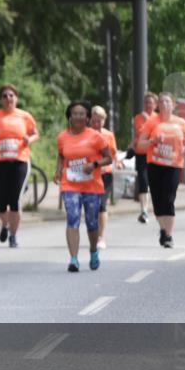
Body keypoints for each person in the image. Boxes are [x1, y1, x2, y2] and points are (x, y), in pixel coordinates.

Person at [54, 100, 112, 272]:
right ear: (69, 117)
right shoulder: (62, 137)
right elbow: (61, 156)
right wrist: (58, 171)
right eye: (75, 114)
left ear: (87, 117)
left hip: (91, 186)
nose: (78, 116)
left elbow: (109, 158)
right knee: (72, 218)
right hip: (70, 184)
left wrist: (94, 165)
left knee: (92, 223)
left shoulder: (96, 137)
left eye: (82, 114)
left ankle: (94, 251)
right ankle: (73, 259)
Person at [0, 84, 39, 248]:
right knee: (0, 204)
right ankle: (5, 224)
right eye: (5, 96)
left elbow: (36, 134)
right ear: (1, 99)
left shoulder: (24, 116)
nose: (8, 98)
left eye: (11, 95)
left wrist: (29, 139)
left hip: (20, 161)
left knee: (14, 201)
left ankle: (13, 235)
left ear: (16, 98)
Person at [137, 92, 185, 248]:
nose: (164, 104)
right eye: (161, 101)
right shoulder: (151, 122)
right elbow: (140, 144)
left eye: (167, 101)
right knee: (157, 201)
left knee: (169, 199)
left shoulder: (181, 122)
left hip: (174, 165)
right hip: (155, 164)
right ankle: (163, 229)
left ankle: (168, 235)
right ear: (158, 105)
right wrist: (151, 141)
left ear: (173, 105)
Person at [90, 105, 120, 250]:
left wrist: (118, 162)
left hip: (105, 174)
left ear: (104, 121)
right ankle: (94, 234)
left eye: (99, 121)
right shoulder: (86, 134)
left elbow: (113, 153)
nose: (96, 124)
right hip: (90, 175)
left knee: (102, 205)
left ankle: (102, 237)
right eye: (94, 121)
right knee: (92, 206)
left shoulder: (108, 135)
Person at [127, 92, 158, 223]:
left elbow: (157, 133)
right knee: (143, 181)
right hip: (141, 153)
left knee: (154, 182)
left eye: (151, 103)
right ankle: (144, 210)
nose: (148, 105)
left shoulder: (159, 118)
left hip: (155, 154)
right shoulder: (139, 117)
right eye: (146, 103)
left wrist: (149, 121)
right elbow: (141, 133)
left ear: (155, 105)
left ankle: (155, 208)